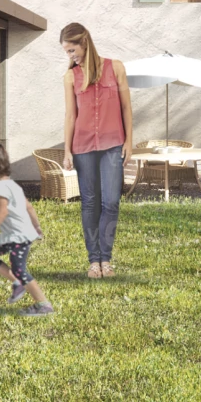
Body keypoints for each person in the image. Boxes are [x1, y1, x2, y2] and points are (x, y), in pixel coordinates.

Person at [60, 21, 133, 278]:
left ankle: (107, 258)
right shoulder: (71, 76)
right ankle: (95, 261)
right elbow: (71, 116)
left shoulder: (116, 68)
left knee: (111, 202)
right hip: (83, 147)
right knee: (90, 203)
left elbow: (126, 108)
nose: (70, 56)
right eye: (66, 52)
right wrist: (67, 151)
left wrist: (129, 142)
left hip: (113, 145)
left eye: (72, 50)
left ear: (84, 43)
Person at [0, 145, 54, 316]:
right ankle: (17, 284)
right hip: (10, 236)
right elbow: (29, 206)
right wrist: (36, 226)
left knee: (20, 270)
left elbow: (2, 213)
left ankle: (44, 304)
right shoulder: (12, 184)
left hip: (18, 237)